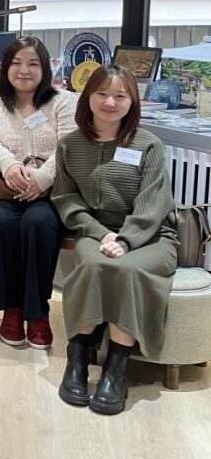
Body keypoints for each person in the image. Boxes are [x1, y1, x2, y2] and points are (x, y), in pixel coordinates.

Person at [53, 65, 177, 416]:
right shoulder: (70, 145)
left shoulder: (148, 144)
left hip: (151, 235)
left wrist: (126, 240)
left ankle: (116, 370)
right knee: (93, 264)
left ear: (132, 101)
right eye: (102, 94)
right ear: (88, 97)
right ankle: (77, 360)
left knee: (127, 269)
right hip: (96, 231)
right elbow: (65, 198)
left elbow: (154, 202)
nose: (110, 102)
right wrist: (99, 232)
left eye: (120, 96)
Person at [0, 37, 77, 348]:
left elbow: (70, 146)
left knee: (38, 224)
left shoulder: (63, 102)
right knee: (0, 223)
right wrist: (9, 165)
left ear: (44, 69)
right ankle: (13, 308)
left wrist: (42, 179)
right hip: (5, 189)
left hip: (50, 191)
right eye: (16, 63)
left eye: (33, 64)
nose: (24, 70)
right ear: (6, 67)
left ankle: (38, 311)